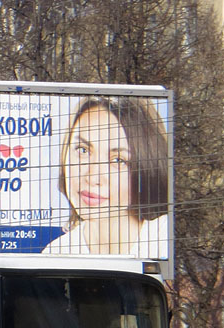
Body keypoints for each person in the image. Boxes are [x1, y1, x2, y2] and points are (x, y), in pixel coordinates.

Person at [43, 96, 169, 260]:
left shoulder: (166, 240)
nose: (92, 177)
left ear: (146, 168)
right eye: (83, 150)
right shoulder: (55, 255)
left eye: (118, 160)